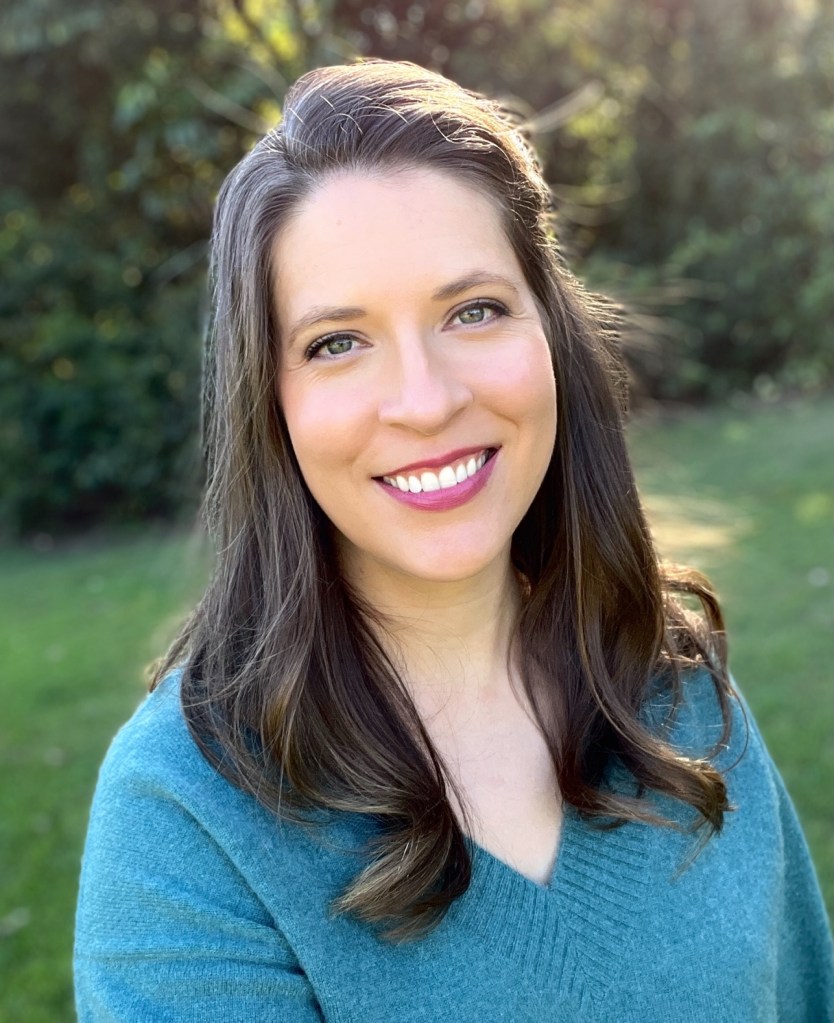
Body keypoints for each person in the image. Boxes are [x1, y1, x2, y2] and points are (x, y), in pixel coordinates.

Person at [74, 59, 833, 1021]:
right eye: (337, 342)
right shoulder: (185, 816)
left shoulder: (675, 692)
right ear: (269, 398)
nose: (427, 400)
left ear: (550, 331)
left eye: (473, 310)